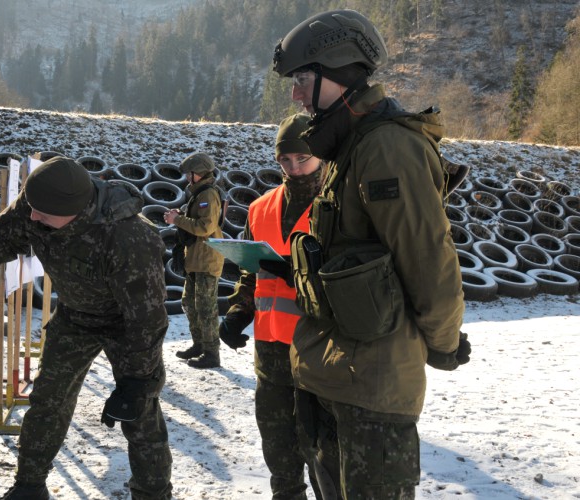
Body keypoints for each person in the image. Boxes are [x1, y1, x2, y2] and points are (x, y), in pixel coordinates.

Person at [272, 9, 471, 499]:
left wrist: (444, 343)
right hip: (332, 372)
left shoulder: (386, 148)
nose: (295, 94)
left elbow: (429, 262)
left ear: (338, 71)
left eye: (302, 79)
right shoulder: (351, 147)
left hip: (372, 388)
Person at [0, 156, 172, 500]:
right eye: (31, 208)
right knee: (48, 401)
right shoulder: (38, 203)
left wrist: (138, 381)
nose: (32, 217)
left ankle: (154, 494)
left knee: (141, 414)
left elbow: (146, 319)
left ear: (75, 210)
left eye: (42, 214)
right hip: (75, 317)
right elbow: (2, 238)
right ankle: (29, 486)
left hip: (126, 323)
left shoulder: (129, 238)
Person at [218, 113, 324, 500]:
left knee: (323, 451)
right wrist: (237, 313)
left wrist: (295, 271)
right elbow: (252, 271)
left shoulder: (338, 207)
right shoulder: (260, 207)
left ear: (320, 156)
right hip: (271, 348)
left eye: (303, 159)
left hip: (321, 346)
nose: (294, 168)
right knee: (278, 445)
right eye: (285, 160)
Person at [164, 152, 225, 369]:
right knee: (189, 303)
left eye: (189, 174)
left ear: (198, 173)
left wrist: (177, 219)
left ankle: (211, 353)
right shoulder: (199, 194)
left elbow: (205, 227)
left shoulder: (208, 195)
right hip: (196, 260)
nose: (187, 178)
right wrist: (180, 216)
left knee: (205, 307)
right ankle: (199, 344)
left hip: (206, 260)